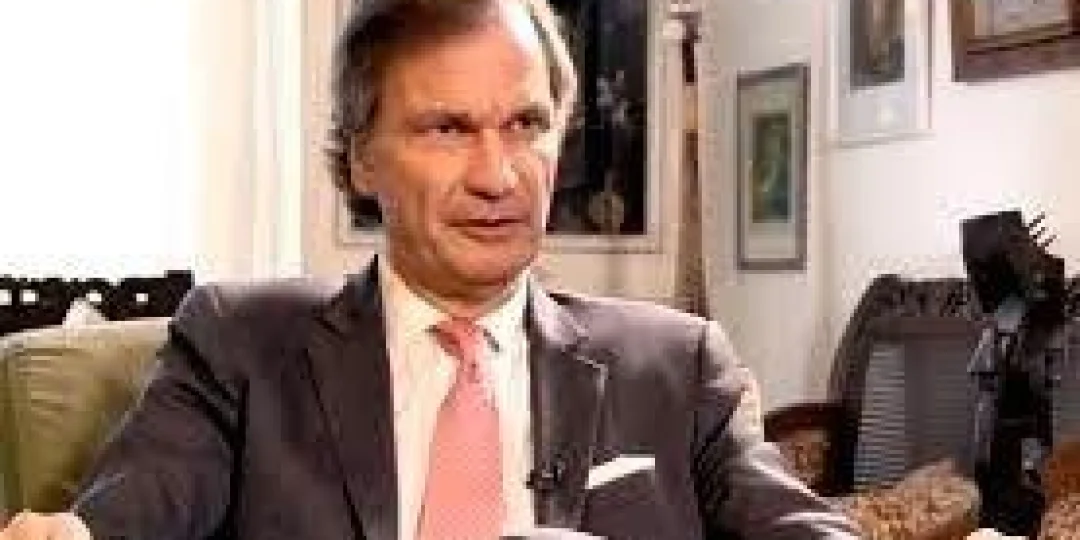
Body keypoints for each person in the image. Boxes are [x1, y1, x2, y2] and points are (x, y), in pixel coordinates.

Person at [0, 0, 859, 538]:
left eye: (526, 125)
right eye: (447, 129)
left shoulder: (677, 366)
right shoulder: (239, 346)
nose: (498, 175)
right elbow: (137, 511)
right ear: (362, 158)